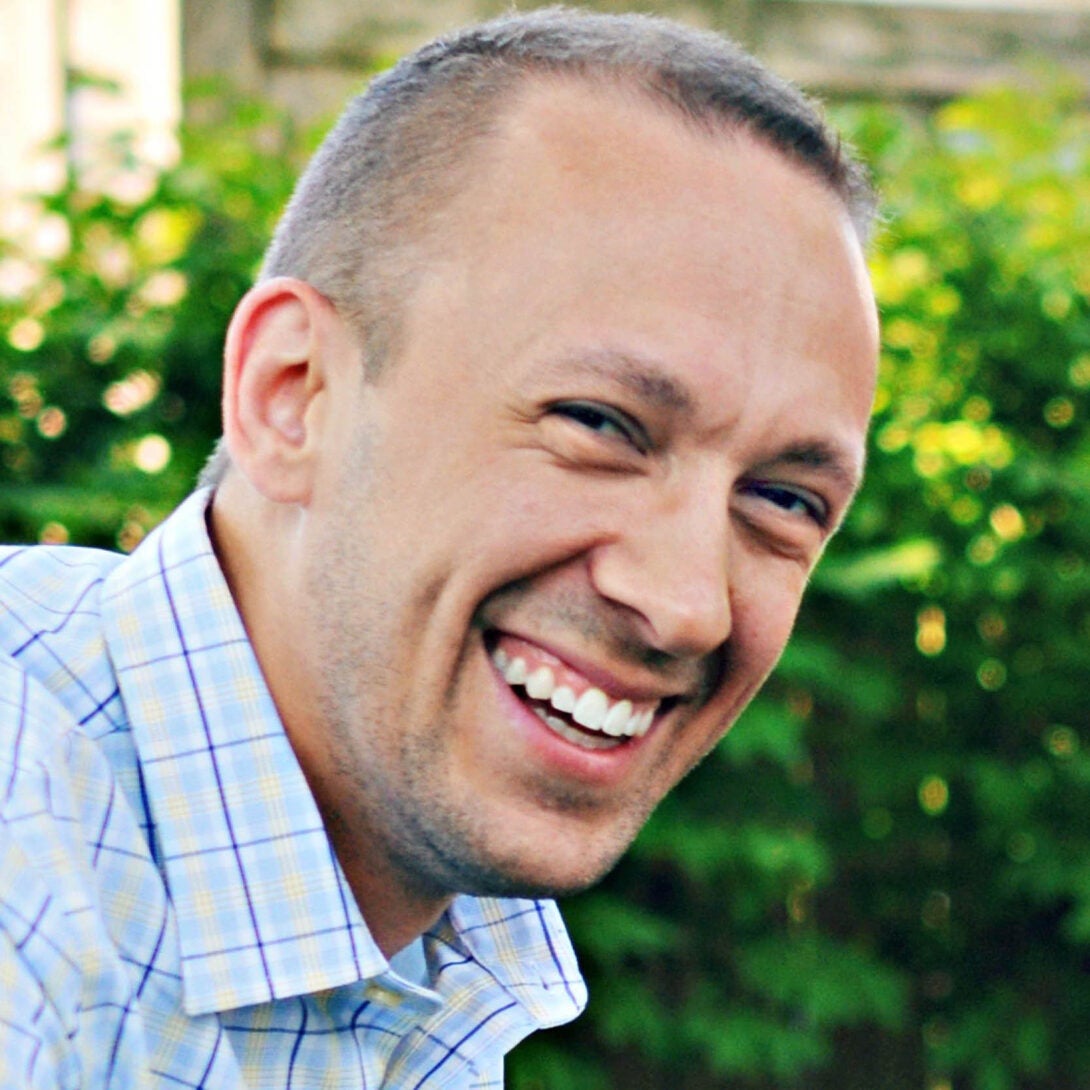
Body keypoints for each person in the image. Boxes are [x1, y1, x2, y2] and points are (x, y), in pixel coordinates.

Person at [0, 6, 879, 1087]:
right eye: (600, 424)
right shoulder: (24, 843)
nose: (687, 602)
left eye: (784, 499)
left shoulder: (429, 959)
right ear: (294, 398)